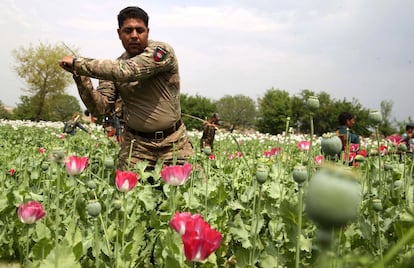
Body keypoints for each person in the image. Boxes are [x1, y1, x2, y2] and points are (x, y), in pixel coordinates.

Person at [59, 6, 193, 170]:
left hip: (174, 143)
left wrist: (79, 63)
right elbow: (100, 108)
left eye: (140, 30)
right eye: (128, 31)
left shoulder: (161, 52)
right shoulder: (112, 69)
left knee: (189, 190)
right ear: (119, 33)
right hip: (136, 147)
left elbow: (129, 70)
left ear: (148, 31)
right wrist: (81, 79)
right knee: (127, 194)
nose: (134, 35)